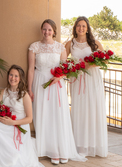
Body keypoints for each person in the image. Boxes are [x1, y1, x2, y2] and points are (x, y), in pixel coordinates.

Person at [27, 19, 86, 165]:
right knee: (43, 115)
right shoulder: (34, 47)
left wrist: (59, 77)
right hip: (40, 83)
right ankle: (50, 150)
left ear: (54, 32)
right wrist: (29, 89)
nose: (46, 32)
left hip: (55, 84)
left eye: (49, 30)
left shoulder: (60, 47)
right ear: (41, 30)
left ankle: (62, 149)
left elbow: (66, 69)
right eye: (44, 29)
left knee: (57, 115)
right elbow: (30, 69)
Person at [0, 65, 43, 167]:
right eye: (11, 75)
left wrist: (13, 122)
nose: (13, 78)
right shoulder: (3, 92)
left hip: (19, 125)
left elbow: (29, 119)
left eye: (16, 76)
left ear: (20, 78)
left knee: (16, 158)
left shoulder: (24, 95)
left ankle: (12, 155)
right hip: (5, 123)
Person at [65, 16, 108, 157]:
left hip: (92, 80)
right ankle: (80, 146)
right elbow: (63, 62)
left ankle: (94, 145)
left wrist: (87, 65)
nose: (81, 28)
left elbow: (105, 62)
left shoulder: (95, 43)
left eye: (84, 26)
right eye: (79, 26)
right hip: (77, 81)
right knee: (79, 110)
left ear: (88, 28)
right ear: (75, 28)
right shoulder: (70, 43)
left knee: (93, 110)